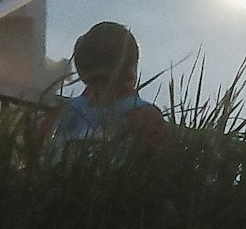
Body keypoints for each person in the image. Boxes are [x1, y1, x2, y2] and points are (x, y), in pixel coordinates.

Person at [48, 20, 167, 156]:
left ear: (82, 73)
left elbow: (36, 156)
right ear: (131, 72)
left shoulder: (60, 113)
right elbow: (159, 162)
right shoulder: (143, 115)